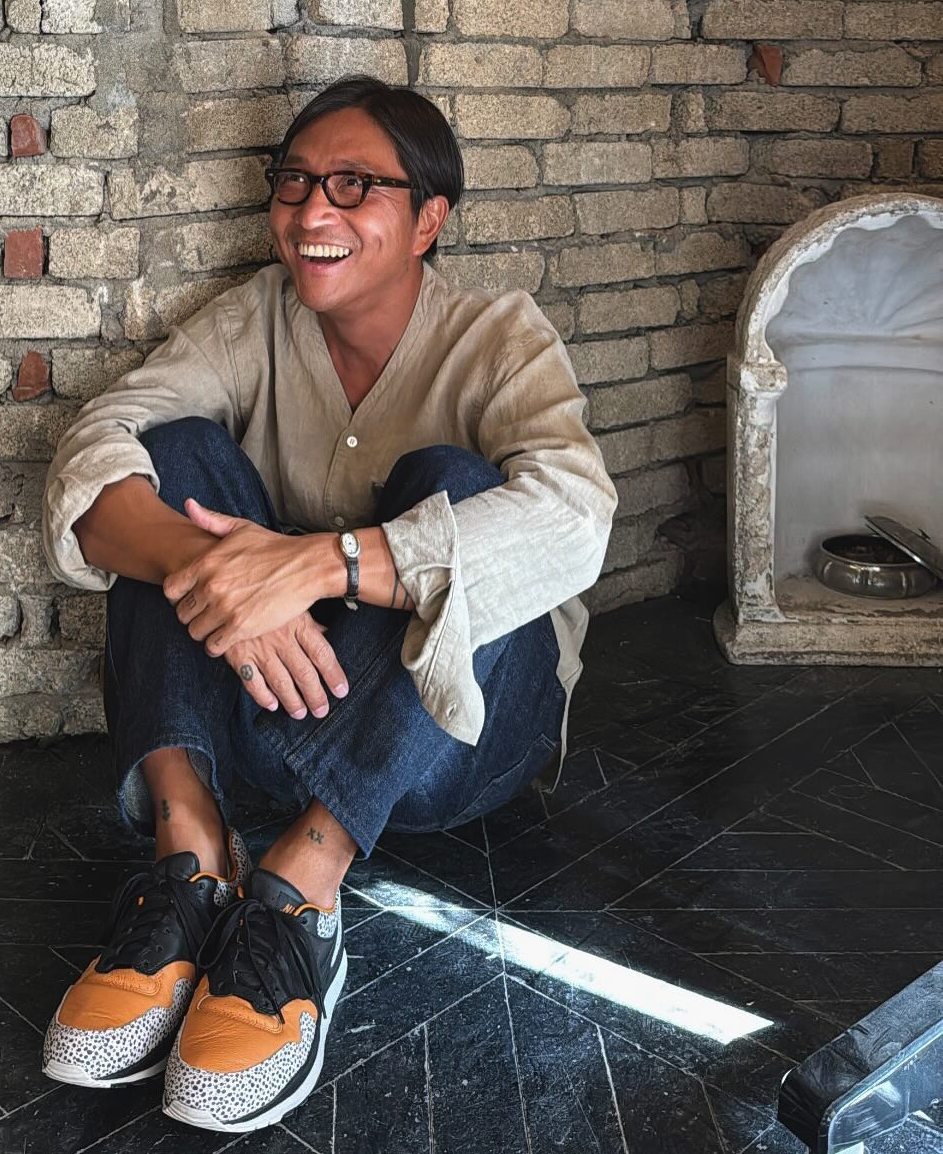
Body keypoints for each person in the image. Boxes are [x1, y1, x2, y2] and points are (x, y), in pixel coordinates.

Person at [38, 75, 617, 1133]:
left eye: (355, 185)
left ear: (428, 219)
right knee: (171, 455)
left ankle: (302, 892)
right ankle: (190, 861)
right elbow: (94, 447)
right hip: (267, 720)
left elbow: (577, 517)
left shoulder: (498, 337)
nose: (313, 210)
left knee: (460, 484)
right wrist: (220, 570)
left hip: (456, 748)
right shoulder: (251, 321)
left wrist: (317, 566)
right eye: (295, 181)